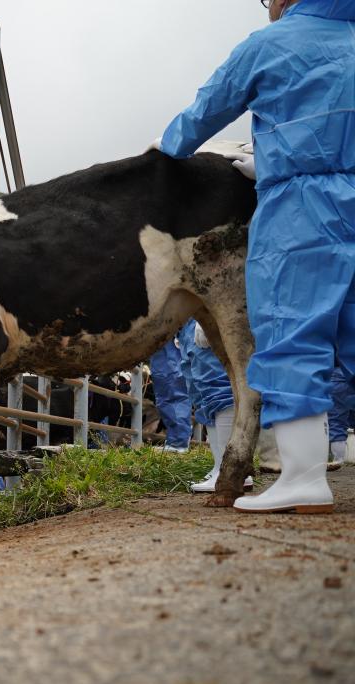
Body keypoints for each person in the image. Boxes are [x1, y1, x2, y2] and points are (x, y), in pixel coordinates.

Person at [157, 0, 354, 514]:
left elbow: (205, 112)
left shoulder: (270, 44)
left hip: (303, 206)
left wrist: (166, 148)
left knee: (292, 331)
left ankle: (304, 477)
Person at [180, 321, 255, 493]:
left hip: (199, 308)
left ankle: (231, 470)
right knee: (202, 391)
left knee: (215, 382)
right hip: (186, 319)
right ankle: (219, 466)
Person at [149, 333, 193, 452]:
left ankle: (180, 440)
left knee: (175, 387)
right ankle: (176, 439)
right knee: (164, 392)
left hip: (169, 334)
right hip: (156, 338)